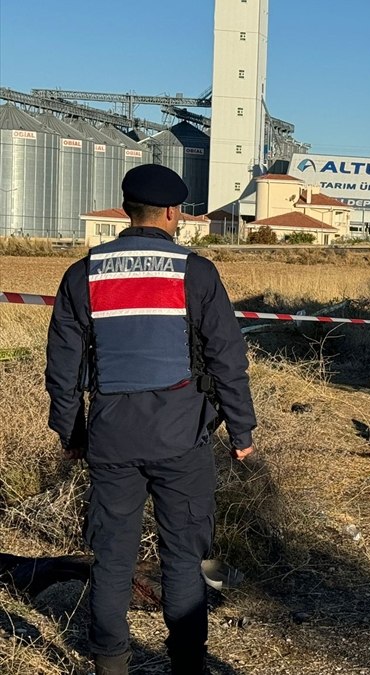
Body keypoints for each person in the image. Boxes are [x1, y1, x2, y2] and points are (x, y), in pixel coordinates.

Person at [45, 165, 257, 675]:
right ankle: (187, 663)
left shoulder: (83, 274)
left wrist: (72, 431)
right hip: (181, 438)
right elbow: (227, 357)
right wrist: (241, 430)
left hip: (111, 437)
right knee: (183, 558)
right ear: (170, 212)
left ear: (125, 210)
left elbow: (63, 368)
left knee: (112, 557)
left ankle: (111, 663)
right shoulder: (195, 272)